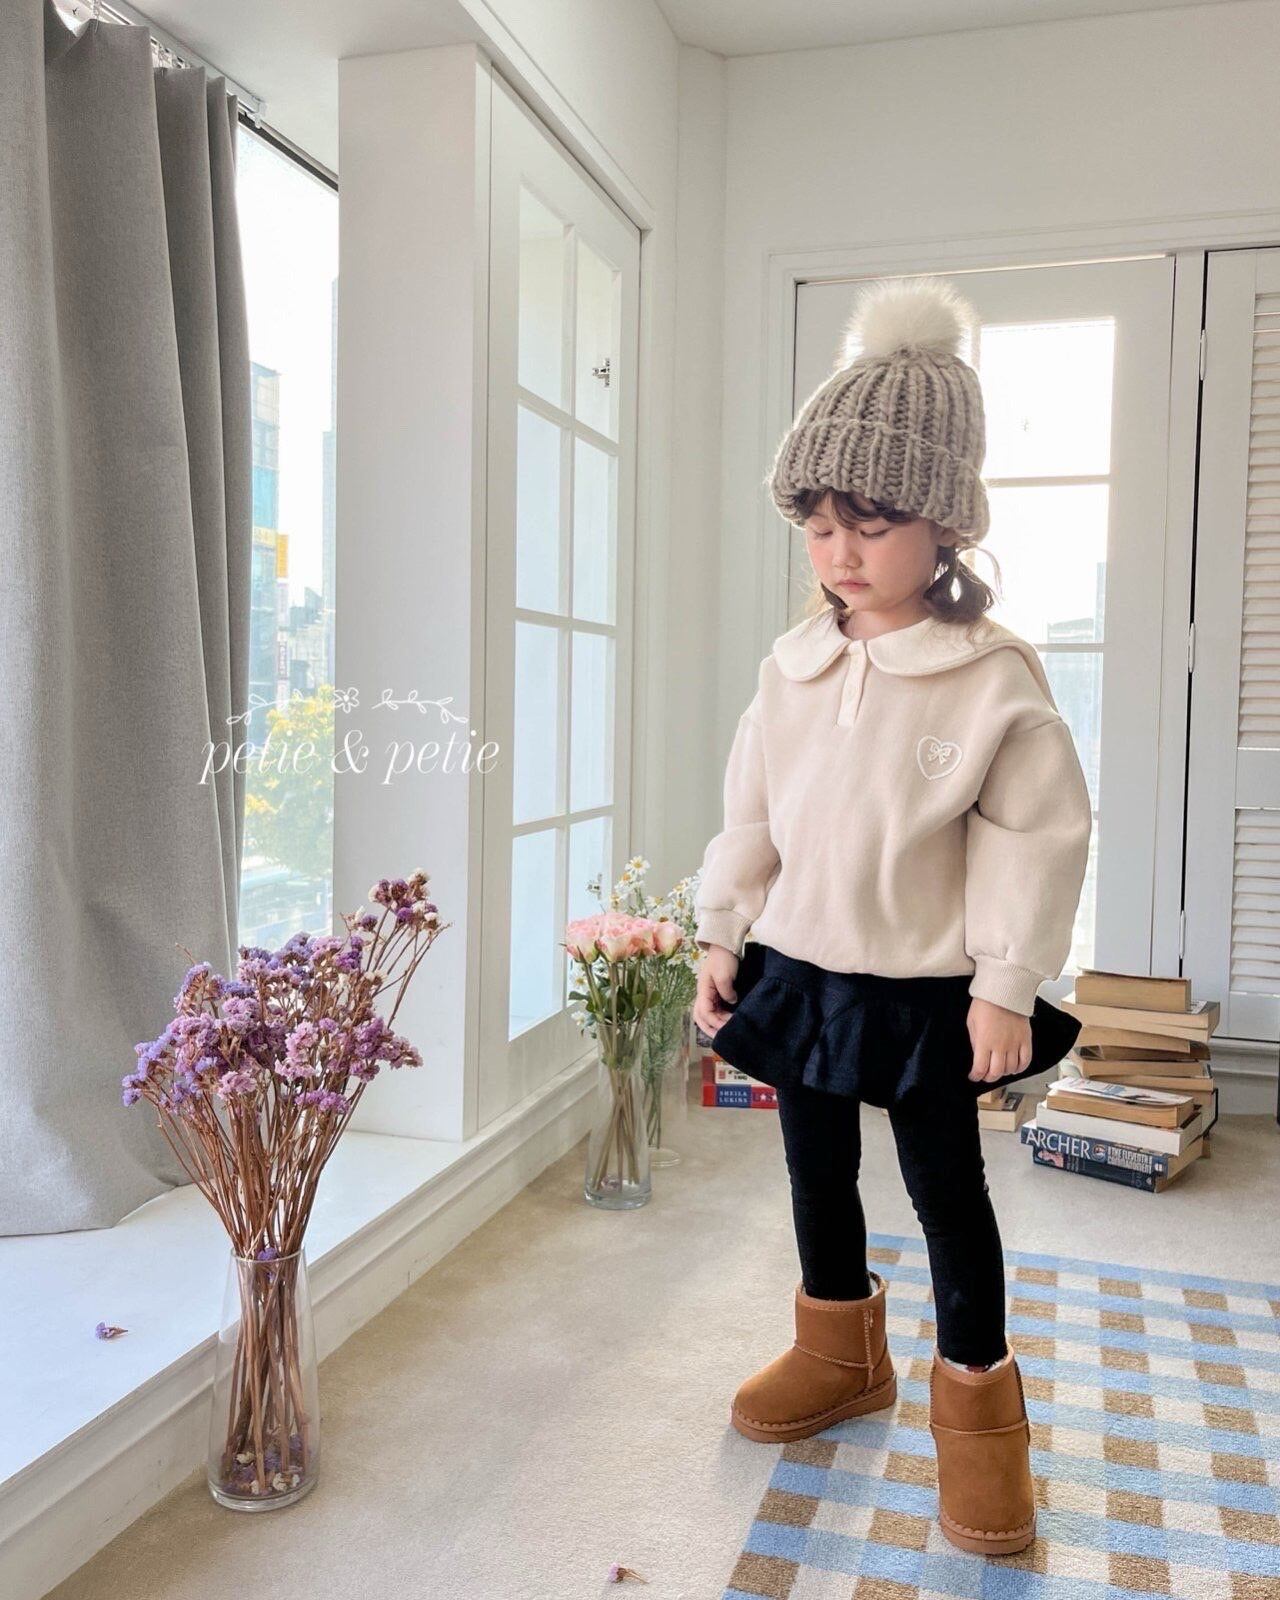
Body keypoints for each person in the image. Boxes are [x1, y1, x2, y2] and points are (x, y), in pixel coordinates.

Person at [692, 275, 1093, 1558]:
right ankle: (837, 1348)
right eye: (818, 526)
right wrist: (719, 931)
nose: (840, 552)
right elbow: (750, 809)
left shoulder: (988, 680)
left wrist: (1004, 982)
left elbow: (1033, 836)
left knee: (944, 1190)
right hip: (800, 966)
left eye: (870, 523)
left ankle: (977, 1413)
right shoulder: (793, 665)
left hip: (926, 985)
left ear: (945, 525)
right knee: (813, 1166)